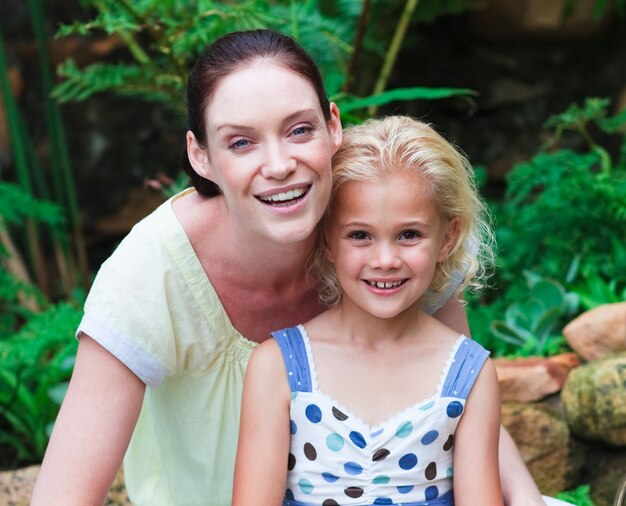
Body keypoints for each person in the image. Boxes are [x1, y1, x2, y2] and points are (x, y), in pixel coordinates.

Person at [31, 30, 544, 506]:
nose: (278, 164)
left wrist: (525, 499)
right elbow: (65, 494)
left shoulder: (388, 214)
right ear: (200, 155)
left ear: (333, 126)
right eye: (240, 141)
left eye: (299, 129)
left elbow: (454, 391)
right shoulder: (153, 270)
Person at [232, 115, 503, 506]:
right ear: (326, 240)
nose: (386, 259)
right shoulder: (279, 366)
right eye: (360, 235)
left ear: (448, 238)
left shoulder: (469, 372)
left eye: (409, 235)